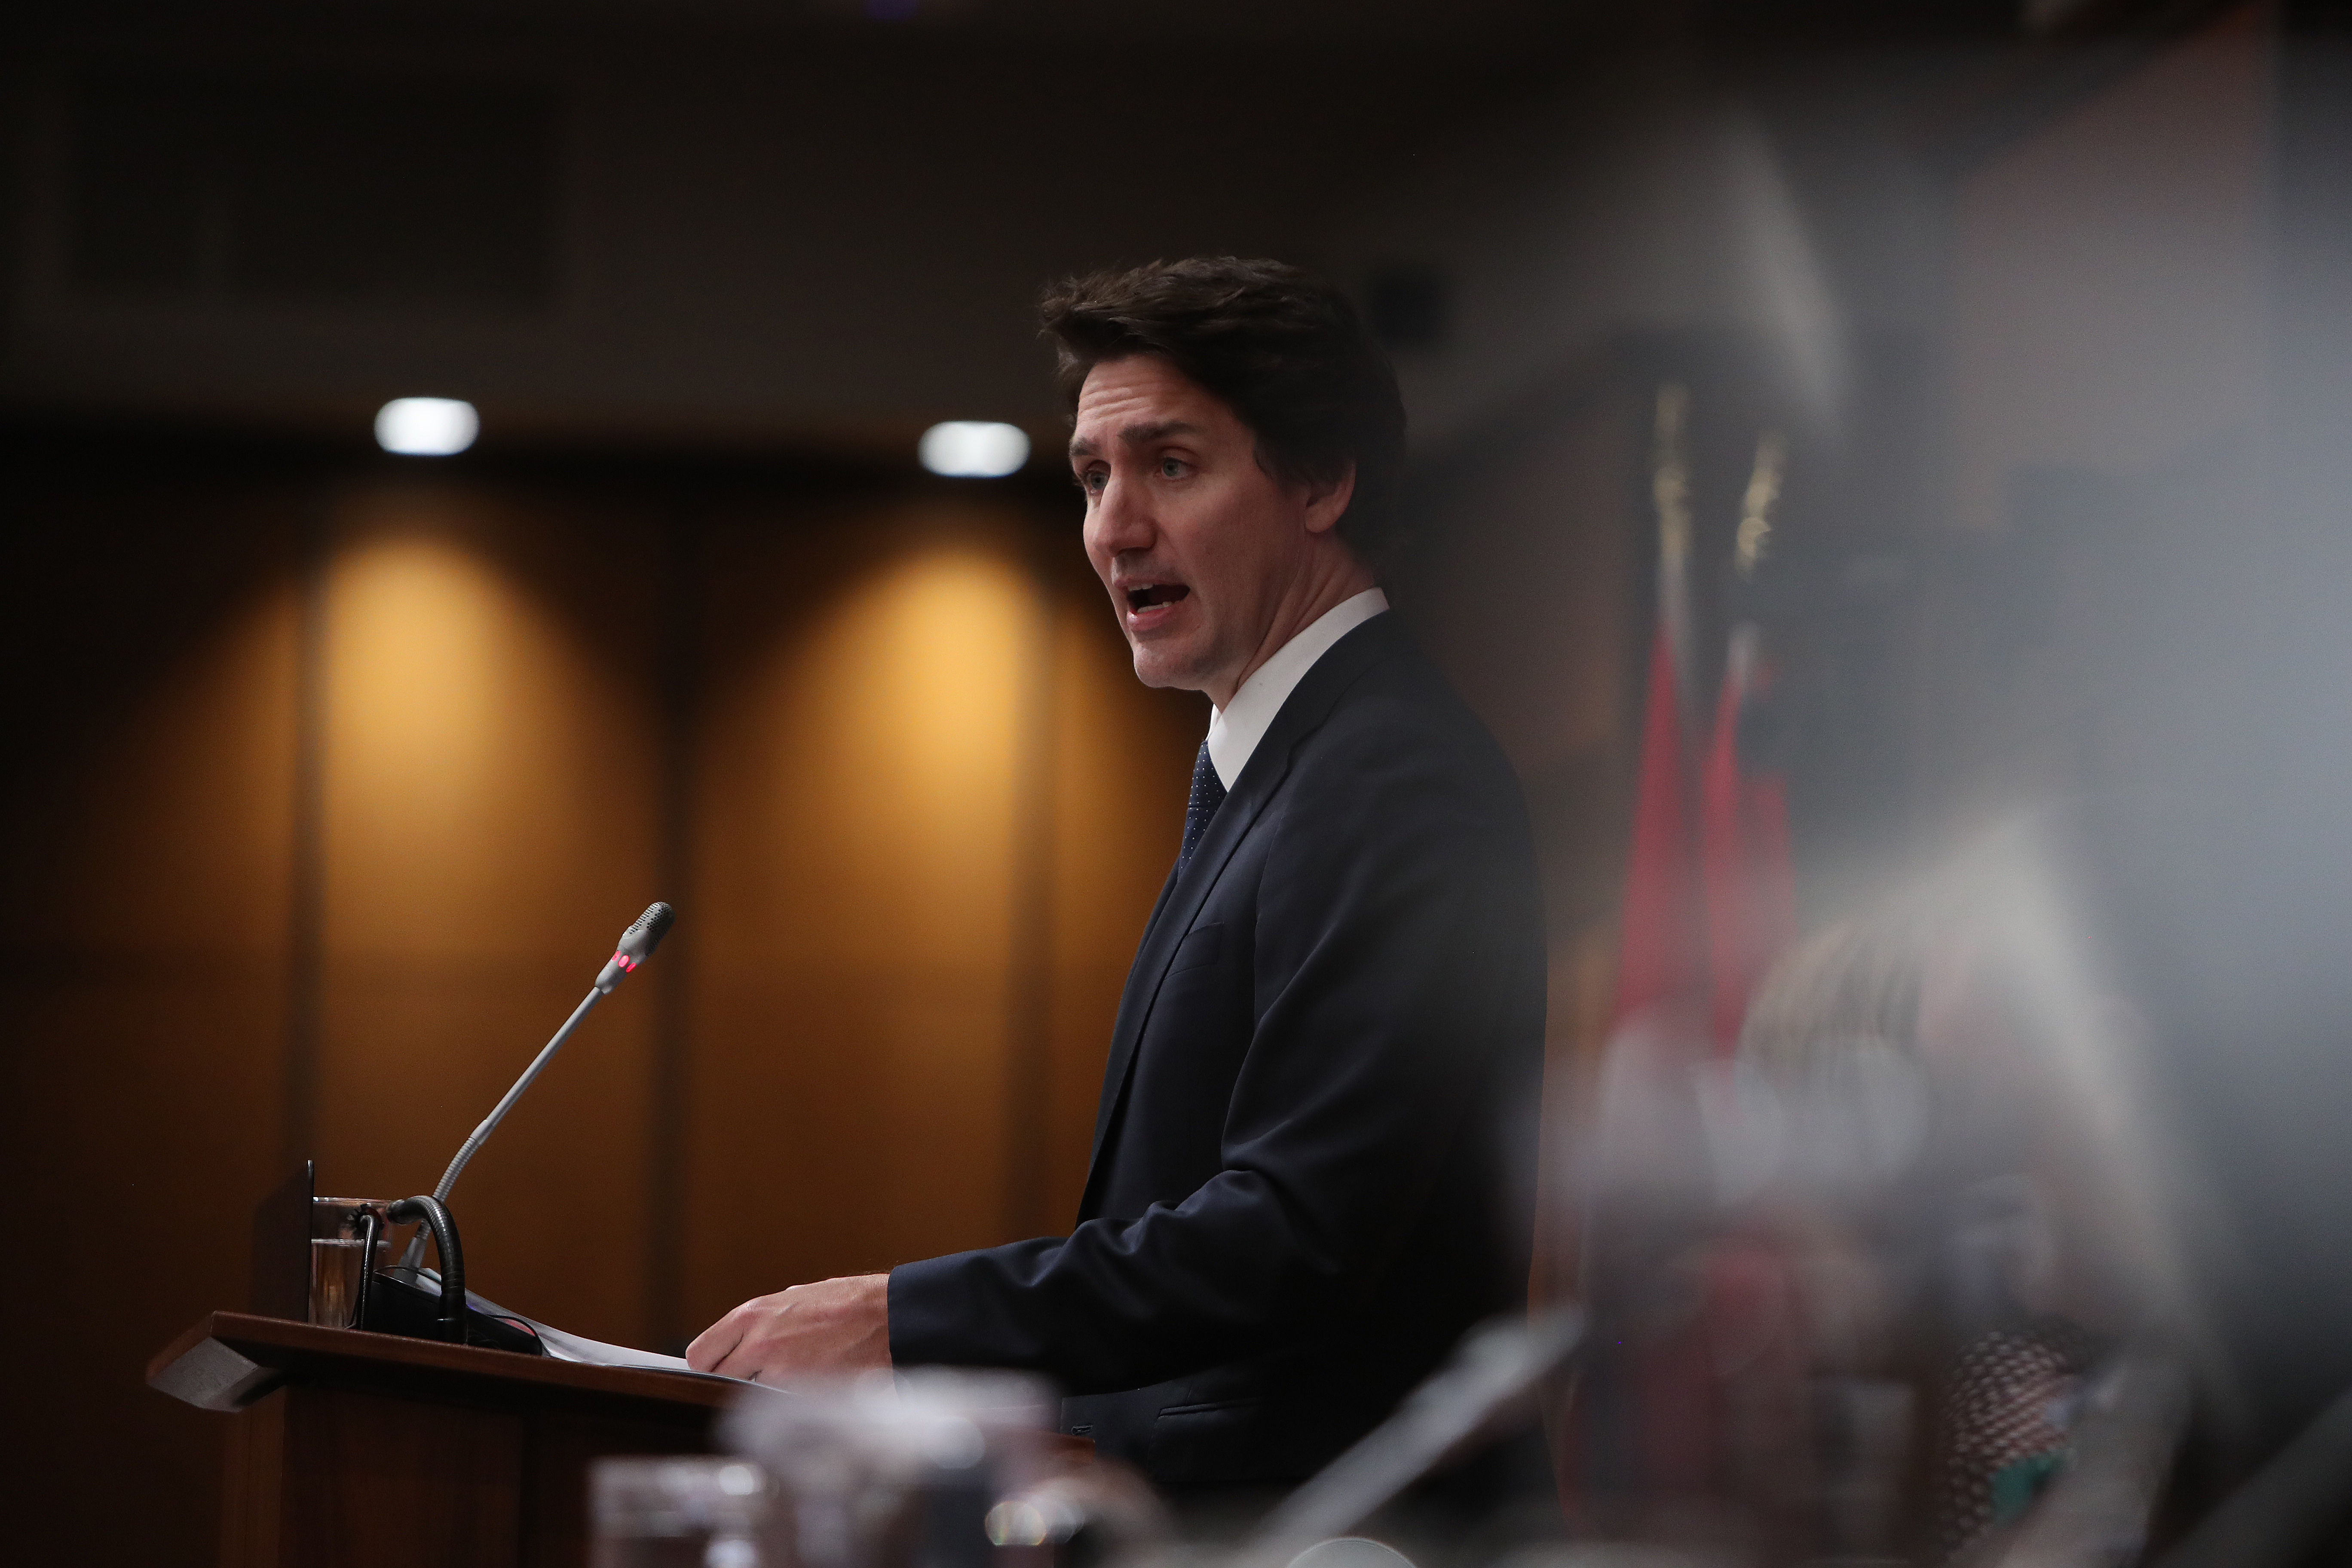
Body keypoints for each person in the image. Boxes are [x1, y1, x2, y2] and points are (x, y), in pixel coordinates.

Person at [687, 257, 1548, 1491]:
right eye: (1094, 476)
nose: (1113, 526)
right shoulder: (1285, 770)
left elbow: (1297, 1234)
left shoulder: (1389, 776)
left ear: (1321, 481)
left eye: (1172, 466)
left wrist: (902, 1318)